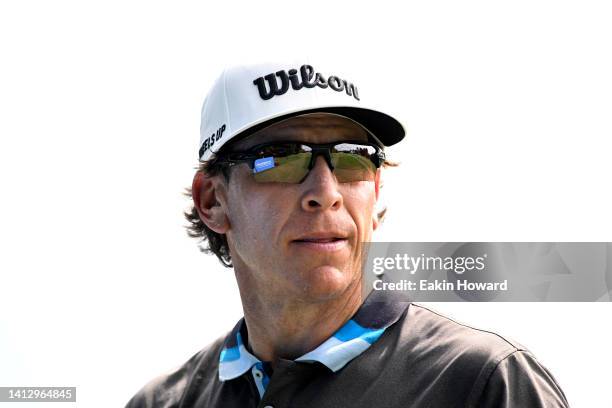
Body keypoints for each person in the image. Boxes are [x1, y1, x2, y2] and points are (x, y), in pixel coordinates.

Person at [125, 60, 569, 407]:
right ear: (212, 202)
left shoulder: (488, 383)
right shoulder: (163, 402)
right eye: (281, 159)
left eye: (353, 158)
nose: (325, 192)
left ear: (375, 190)